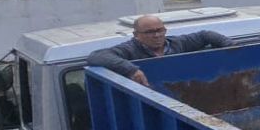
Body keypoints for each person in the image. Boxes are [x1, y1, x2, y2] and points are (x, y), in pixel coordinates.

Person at [88, 15, 232, 87]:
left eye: (159, 30)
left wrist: (230, 46)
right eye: (149, 32)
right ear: (136, 35)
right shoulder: (129, 49)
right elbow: (96, 56)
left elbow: (205, 35)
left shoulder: (178, 43)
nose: (156, 35)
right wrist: (131, 70)